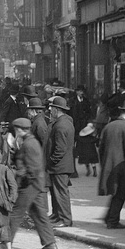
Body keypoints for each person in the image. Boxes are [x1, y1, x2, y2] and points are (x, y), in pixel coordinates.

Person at [7, 117, 57, 249]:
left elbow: (31, 167)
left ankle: (5, 242)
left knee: (16, 213)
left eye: (16, 130)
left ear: (19, 130)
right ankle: (50, 245)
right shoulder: (29, 142)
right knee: (39, 214)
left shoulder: (29, 144)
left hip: (30, 185)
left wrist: (19, 178)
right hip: (36, 183)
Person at [98, 98, 125, 229]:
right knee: (120, 194)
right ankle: (112, 221)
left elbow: (101, 148)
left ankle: (109, 217)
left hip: (109, 165)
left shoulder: (109, 126)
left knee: (115, 193)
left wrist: (104, 163)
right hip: (122, 167)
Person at [45, 95, 75, 227]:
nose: (50, 111)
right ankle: (58, 216)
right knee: (57, 192)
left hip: (60, 166)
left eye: (52, 109)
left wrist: (51, 161)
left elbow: (60, 149)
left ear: (57, 109)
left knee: (61, 193)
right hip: (62, 165)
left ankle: (65, 219)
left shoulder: (61, 126)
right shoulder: (65, 122)